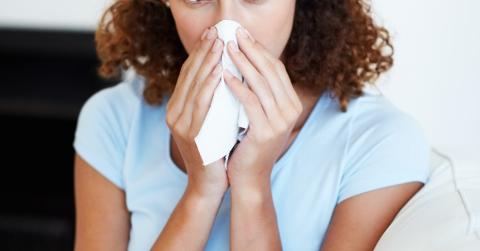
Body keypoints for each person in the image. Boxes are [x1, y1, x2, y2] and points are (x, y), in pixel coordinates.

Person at [73, 0, 431, 250]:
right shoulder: (114, 118)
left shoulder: (381, 142)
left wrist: (252, 184)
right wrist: (201, 191)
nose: (227, 26)